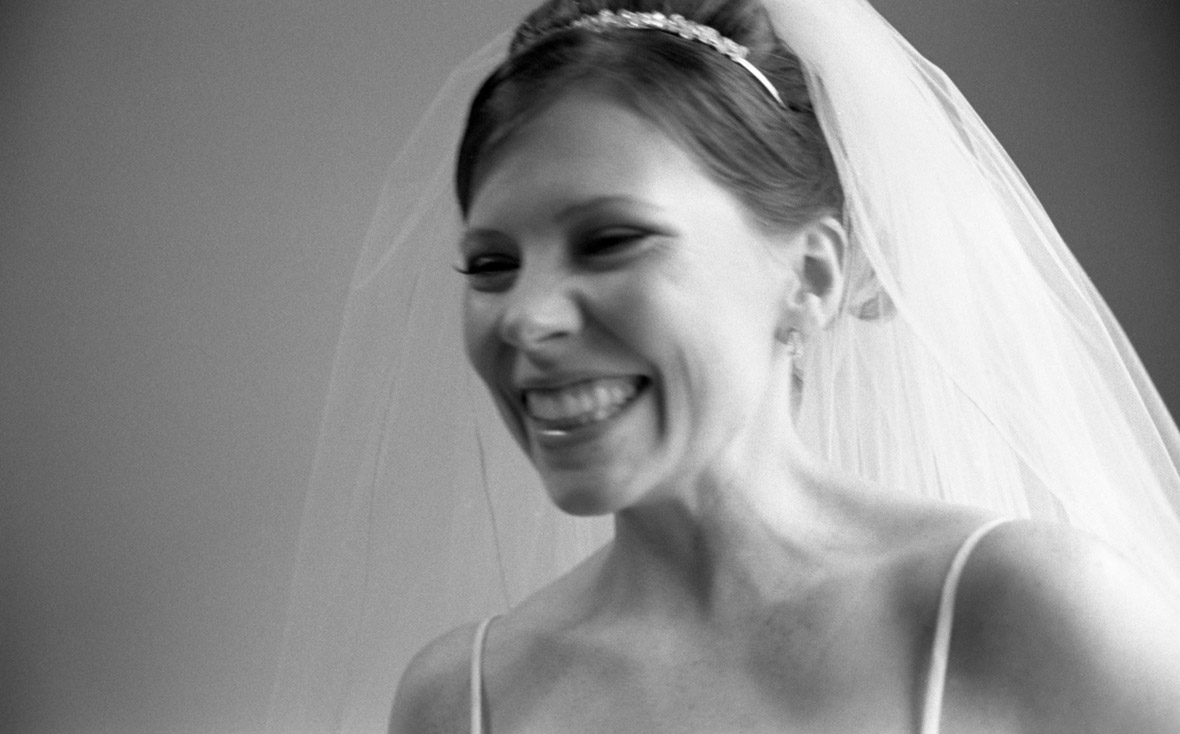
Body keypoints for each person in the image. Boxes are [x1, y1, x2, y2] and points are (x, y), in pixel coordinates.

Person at [268, 1, 1180, 732]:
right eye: (491, 264)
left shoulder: (1022, 612)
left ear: (812, 276)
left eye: (611, 241)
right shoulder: (460, 702)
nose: (526, 318)